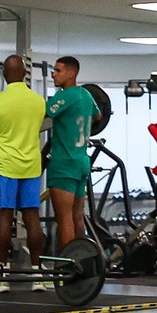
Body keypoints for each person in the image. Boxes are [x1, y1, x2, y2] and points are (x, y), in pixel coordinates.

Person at [0, 55, 47, 292]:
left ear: (5, 75)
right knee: (32, 219)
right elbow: (37, 127)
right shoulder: (39, 102)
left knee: (4, 220)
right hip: (30, 166)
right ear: (24, 74)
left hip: (4, 166)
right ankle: (38, 276)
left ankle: (1, 277)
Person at [44, 56, 97, 248]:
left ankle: (68, 265)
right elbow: (99, 116)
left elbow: (44, 113)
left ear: (72, 73)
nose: (54, 74)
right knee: (77, 217)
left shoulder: (64, 96)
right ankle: (83, 261)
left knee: (64, 219)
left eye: (58, 71)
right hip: (81, 161)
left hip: (64, 163)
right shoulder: (86, 95)